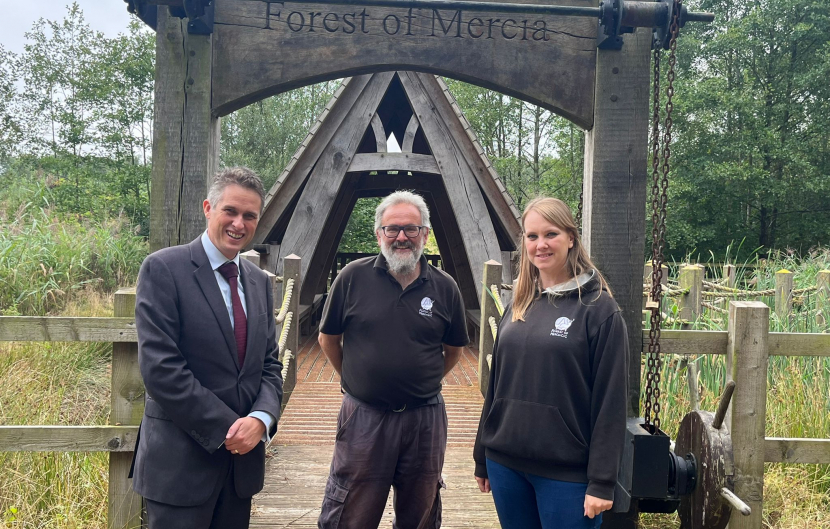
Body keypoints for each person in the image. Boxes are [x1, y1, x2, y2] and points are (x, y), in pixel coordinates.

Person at [131, 167, 283, 529]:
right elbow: (161, 369)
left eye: (249, 216)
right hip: (180, 466)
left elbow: (269, 366)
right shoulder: (164, 269)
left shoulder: (260, 283)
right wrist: (232, 428)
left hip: (239, 473)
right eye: (230, 211)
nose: (239, 224)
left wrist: (261, 421)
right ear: (208, 208)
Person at [473, 197, 629, 529]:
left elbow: (611, 402)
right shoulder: (518, 305)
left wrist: (602, 481)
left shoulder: (599, 310)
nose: (540, 244)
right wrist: (481, 456)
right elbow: (498, 384)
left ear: (571, 238)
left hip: (566, 474)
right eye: (532, 236)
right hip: (505, 464)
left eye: (550, 234)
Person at [317, 190, 469, 529]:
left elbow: (454, 350)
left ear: (425, 235)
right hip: (365, 418)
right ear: (379, 234)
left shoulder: (446, 288)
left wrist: (421, 380)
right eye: (393, 229)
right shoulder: (351, 278)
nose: (402, 237)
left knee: (421, 513)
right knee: (351, 512)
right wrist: (356, 379)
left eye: (411, 229)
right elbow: (328, 339)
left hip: (425, 421)